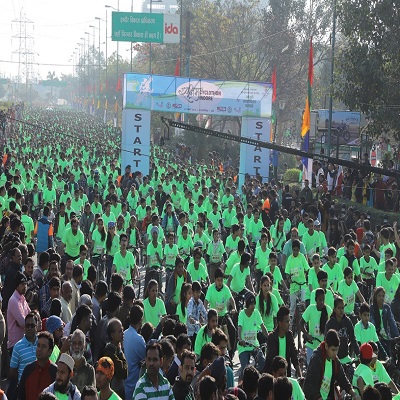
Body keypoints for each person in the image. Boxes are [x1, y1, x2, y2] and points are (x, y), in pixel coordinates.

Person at [304, 329, 359, 400]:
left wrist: (354, 394)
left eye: (337, 349)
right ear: (326, 346)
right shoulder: (316, 359)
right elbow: (313, 387)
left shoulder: (335, 360)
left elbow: (343, 380)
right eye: (333, 350)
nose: (335, 353)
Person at [264, 306, 301, 378]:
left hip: (286, 376)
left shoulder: (289, 335)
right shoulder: (272, 337)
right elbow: (272, 360)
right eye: (287, 321)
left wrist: (300, 375)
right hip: (274, 377)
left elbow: (294, 356)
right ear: (280, 323)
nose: (289, 324)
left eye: (289, 321)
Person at [237, 292, 268, 378]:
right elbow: (239, 328)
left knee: (263, 363)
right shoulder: (242, 314)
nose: (253, 306)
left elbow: (262, 326)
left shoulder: (256, 313)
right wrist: (240, 339)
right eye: (251, 304)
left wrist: (269, 337)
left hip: (254, 345)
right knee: (246, 370)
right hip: (244, 347)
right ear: (247, 304)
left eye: (254, 304)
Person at [18, 331, 57, 400]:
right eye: (38, 345)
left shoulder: (55, 371)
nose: (39, 349)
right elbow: (21, 395)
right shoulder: (28, 370)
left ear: (50, 352)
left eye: (43, 346)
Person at [325, 297, 360, 364]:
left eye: (342, 308)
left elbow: (353, 339)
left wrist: (358, 354)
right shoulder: (330, 323)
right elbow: (326, 342)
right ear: (334, 309)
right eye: (339, 308)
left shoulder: (348, 321)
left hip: (345, 358)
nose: (341, 310)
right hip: (333, 359)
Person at [301, 288, 332, 363]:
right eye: (319, 300)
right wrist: (307, 334)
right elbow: (301, 323)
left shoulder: (329, 310)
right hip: (311, 345)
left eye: (323, 300)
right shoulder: (310, 309)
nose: (321, 302)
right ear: (315, 300)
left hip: (323, 347)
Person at [123, 304, 146, 400]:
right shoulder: (139, 339)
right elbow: (145, 359)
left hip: (124, 384)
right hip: (133, 385)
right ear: (140, 320)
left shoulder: (124, 334)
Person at [370, 286, 399, 358]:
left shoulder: (387, 307)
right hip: (377, 336)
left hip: (386, 336)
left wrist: (397, 336)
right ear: (375, 297)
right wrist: (376, 334)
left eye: (383, 296)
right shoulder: (372, 308)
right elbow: (372, 321)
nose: (381, 298)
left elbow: (392, 321)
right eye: (379, 296)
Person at [101, 318, 127, 399]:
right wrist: (120, 352)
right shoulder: (110, 352)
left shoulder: (115, 349)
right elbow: (124, 372)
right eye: (119, 331)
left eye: (122, 330)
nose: (122, 333)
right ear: (112, 335)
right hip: (114, 392)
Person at [7, 271, 31, 352]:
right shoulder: (13, 300)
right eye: (22, 284)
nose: (25, 286)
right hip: (15, 345)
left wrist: (27, 320)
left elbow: (32, 316)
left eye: (26, 284)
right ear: (17, 286)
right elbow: (23, 323)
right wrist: (26, 321)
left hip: (23, 342)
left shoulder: (22, 298)